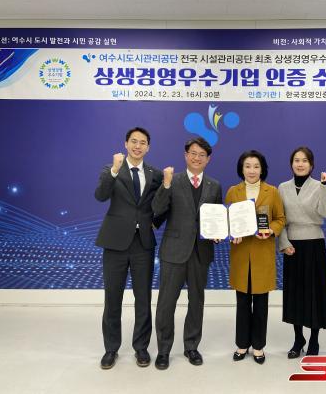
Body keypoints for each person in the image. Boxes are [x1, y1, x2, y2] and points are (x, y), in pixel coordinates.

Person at [94, 127, 164, 370]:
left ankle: (141, 348)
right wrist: (114, 170)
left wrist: (155, 222)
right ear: (126, 144)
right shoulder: (111, 169)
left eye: (142, 142)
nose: (137, 146)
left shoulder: (155, 174)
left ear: (148, 147)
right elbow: (100, 195)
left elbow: (162, 204)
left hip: (142, 243)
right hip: (115, 243)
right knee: (112, 297)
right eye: (133, 141)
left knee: (143, 298)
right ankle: (110, 349)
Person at [151, 137, 223, 370]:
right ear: (185, 155)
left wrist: (218, 232)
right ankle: (163, 350)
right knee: (166, 303)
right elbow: (157, 209)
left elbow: (217, 217)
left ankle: (191, 346)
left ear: (208, 159)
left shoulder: (214, 185)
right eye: (193, 153)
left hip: (201, 252)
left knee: (196, 302)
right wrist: (166, 185)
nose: (197, 158)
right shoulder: (173, 180)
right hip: (174, 251)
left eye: (202, 155)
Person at [225, 150, 285, 364]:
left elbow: (280, 218)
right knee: (242, 302)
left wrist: (271, 230)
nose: (252, 170)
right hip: (241, 254)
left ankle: (258, 346)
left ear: (262, 169)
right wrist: (232, 234)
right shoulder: (233, 191)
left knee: (261, 304)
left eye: (256, 166)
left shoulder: (272, 191)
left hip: (262, 254)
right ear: (241, 169)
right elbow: (228, 220)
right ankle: (242, 344)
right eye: (247, 166)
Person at [278, 147, 326, 359]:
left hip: (314, 244)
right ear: (291, 163)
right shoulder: (282, 187)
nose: (300, 164)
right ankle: (298, 339)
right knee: (295, 294)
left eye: (304, 161)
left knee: (314, 294)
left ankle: (314, 339)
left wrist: (325, 186)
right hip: (291, 245)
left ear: (311, 165)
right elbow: (279, 218)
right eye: (296, 160)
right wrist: (284, 243)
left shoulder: (320, 185)